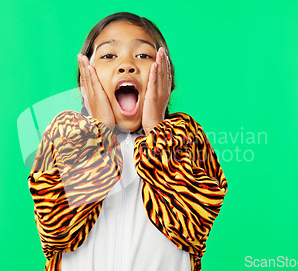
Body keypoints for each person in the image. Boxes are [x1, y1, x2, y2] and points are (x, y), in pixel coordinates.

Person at [28, 12, 228, 271]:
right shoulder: (65, 132)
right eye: (109, 56)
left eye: (144, 56)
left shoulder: (186, 136)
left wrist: (158, 131)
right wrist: (100, 130)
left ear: (167, 80)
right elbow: (57, 231)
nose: (127, 65)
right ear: (84, 80)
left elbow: (192, 228)